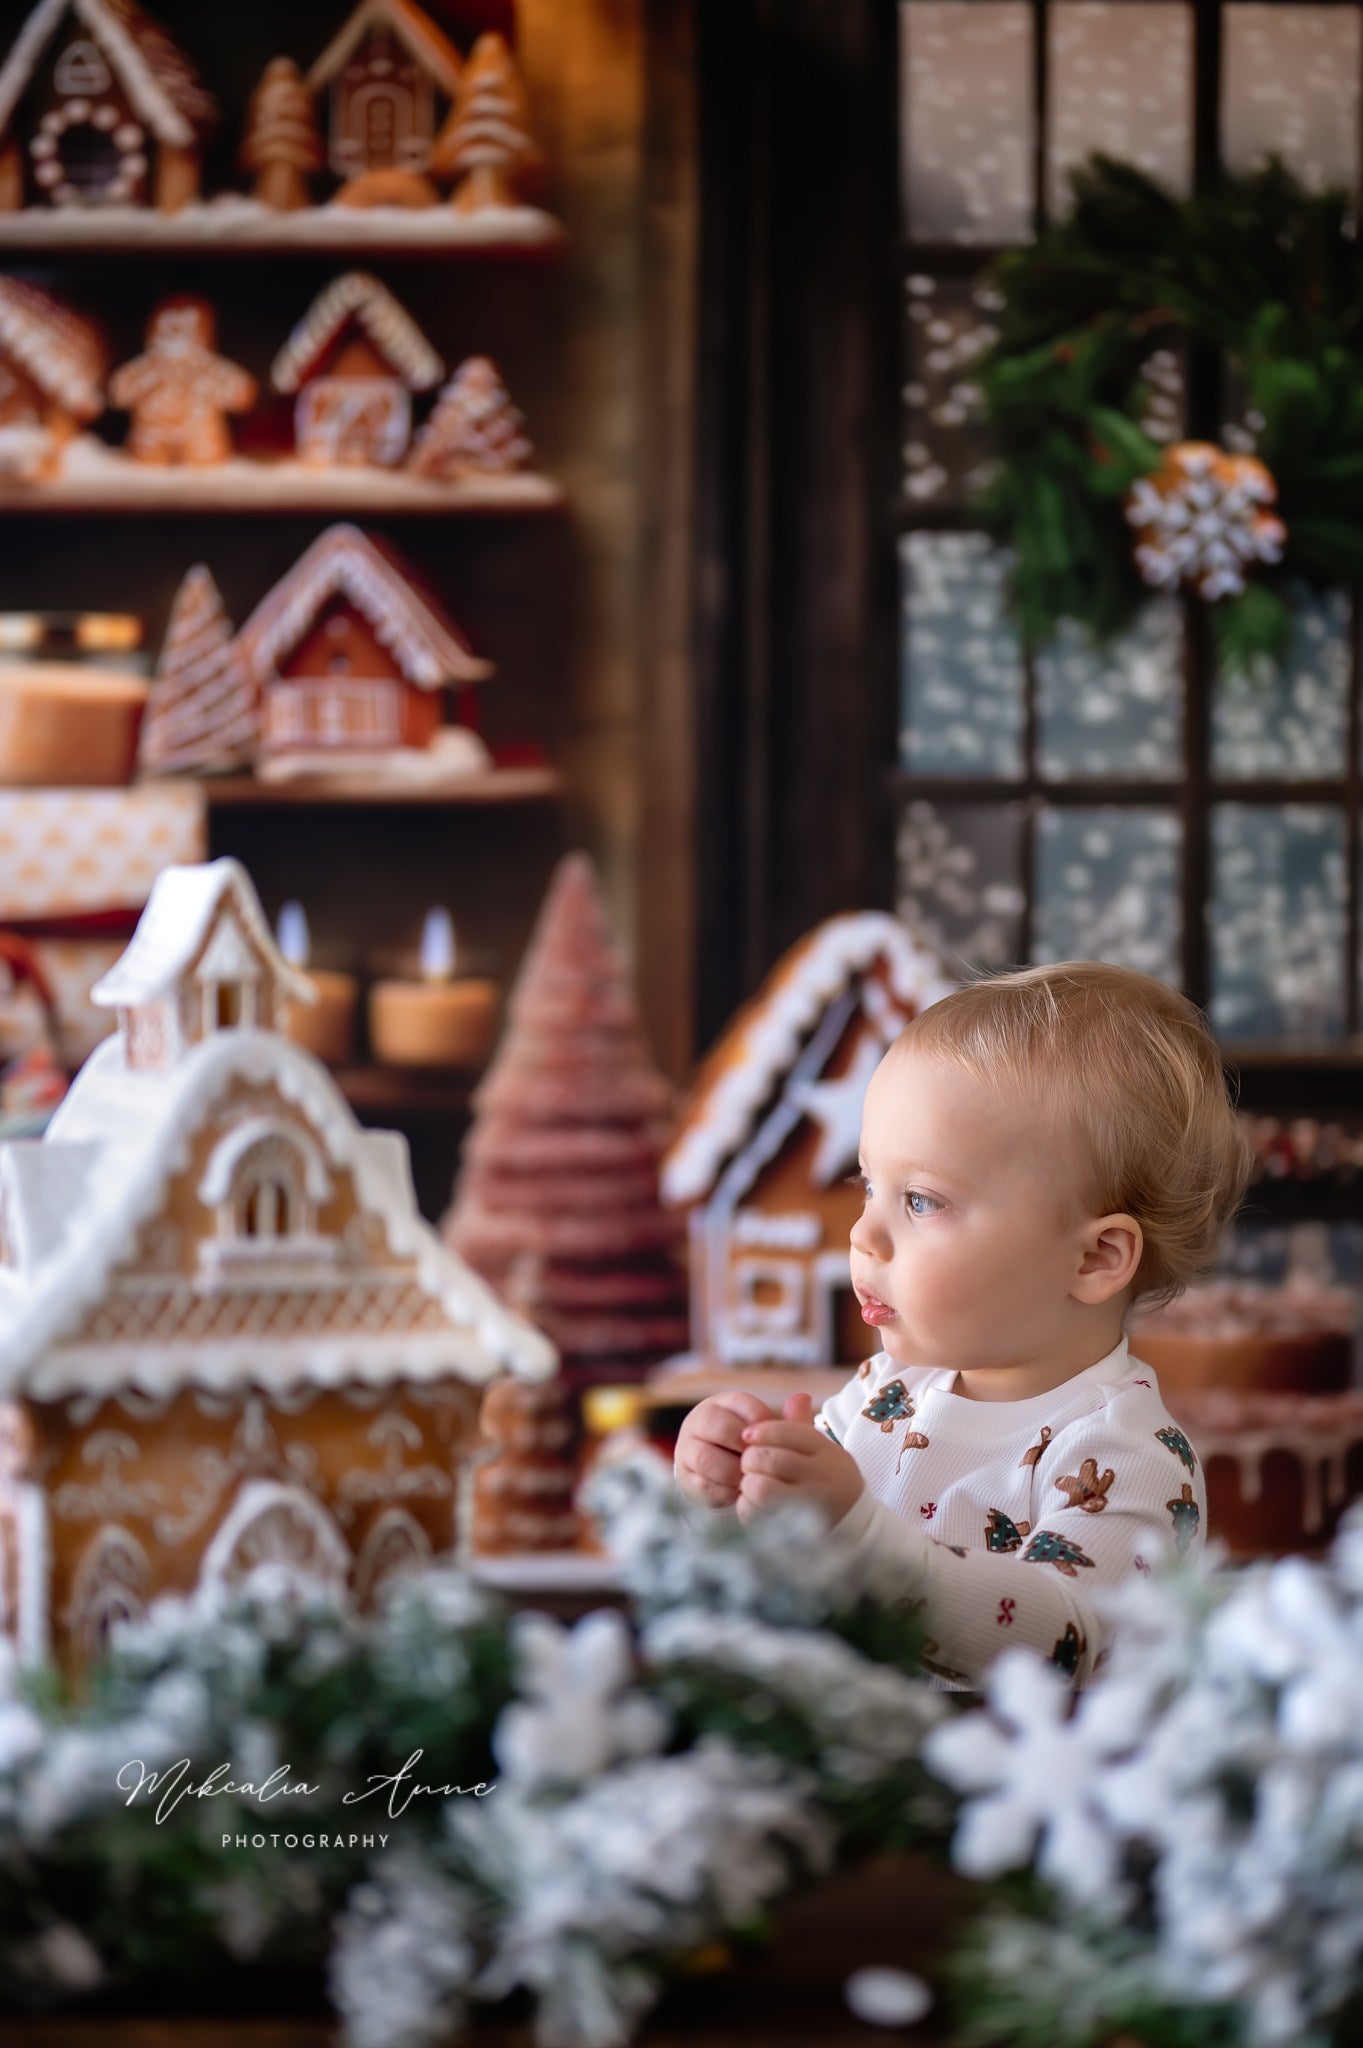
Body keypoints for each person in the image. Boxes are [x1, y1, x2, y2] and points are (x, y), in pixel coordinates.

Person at [673, 960, 1256, 1688]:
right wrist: (729, 1494)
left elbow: (1062, 1640)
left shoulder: (1122, 1454)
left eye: (920, 1200)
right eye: (867, 1185)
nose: (862, 1235)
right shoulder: (881, 1396)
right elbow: (773, 1580)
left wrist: (854, 1529)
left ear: (1094, 1258)